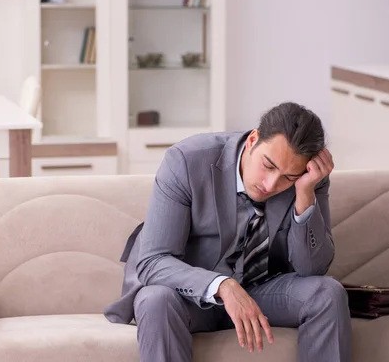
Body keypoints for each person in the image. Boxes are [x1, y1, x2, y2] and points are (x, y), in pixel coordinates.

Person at [103, 102, 352, 362]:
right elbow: (153, 261)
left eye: (288, 177)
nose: (271, 184)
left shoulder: (309, 179)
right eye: (268, 166)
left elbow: (311, 270)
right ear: (253, 139)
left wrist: (304, 193)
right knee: (155, 299)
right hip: (188, 296)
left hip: (260, 293)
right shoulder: (187, 160)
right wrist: (221, 285)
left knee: (327, 293)